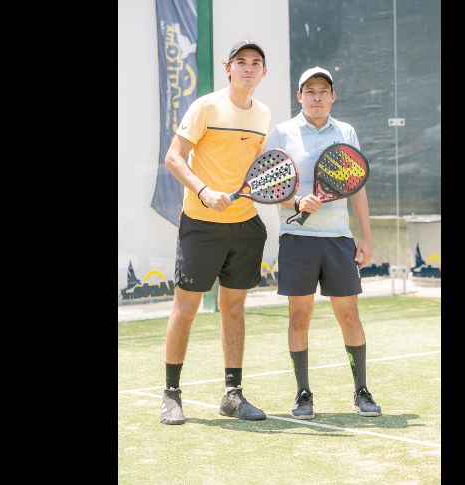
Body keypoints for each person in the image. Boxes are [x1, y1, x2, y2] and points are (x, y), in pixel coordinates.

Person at [159, 40, 271, 425]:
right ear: (228, 68)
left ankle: (232, 395)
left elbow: (256, 167)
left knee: (234, 309)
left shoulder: (263, 115)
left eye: (256, 63)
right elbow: (174, 157)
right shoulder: (206, 106)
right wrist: (204, 191)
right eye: (242, 62)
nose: (248, 69)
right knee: (186, 309)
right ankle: (171, 394)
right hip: (201, 225)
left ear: (263, 72)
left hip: (245, 225)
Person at [264, 66, 382, 419]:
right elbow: (269, 187)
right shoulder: (282, 133)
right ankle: (303, 394)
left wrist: (366, 236)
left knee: (349, 315)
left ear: (333, 96)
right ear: (299, 96)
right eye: (310, 91)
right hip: (297, 239)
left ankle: (361, 391)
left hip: (338, 240)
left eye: (323, 91)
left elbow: (355, 185)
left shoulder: (346, 132)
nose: (317, 97)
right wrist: (297, 202)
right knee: (299, 316)